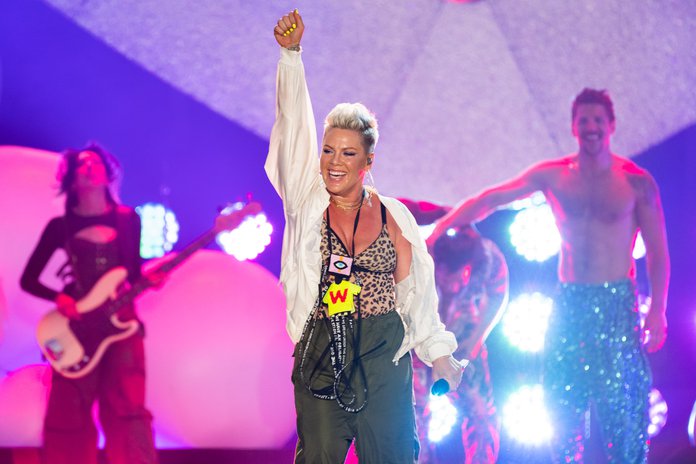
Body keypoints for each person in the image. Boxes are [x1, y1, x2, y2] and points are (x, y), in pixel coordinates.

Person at [428, 88, 670, 463]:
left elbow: (657, 252)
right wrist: (441, 227)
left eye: (598, 121)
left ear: (611, 126)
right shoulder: (554, 176)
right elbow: (492, 199)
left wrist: (657, 309)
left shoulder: (635, 182)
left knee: (623, 409)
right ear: (574, 127)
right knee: (561, 406)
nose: (591, 127)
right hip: (570, 302)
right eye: (584, 121)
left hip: (616, 304)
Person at [266, 10, 463, 463]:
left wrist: (438, 354)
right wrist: (291, 57)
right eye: (329, 150)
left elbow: (417, 295)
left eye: (348, 153)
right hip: (322, 345)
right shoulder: (307, 202)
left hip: (382, 350)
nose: (334, 162)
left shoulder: (395, 216)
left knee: (393, 456)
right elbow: (293, 129)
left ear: (367, 161)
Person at [20, 143, 160, 464]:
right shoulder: (60, 227)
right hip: (76, 327)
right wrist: (61, 297)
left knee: (128, 407)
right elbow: (29, 279)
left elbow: (133, 273)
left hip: (121, 324)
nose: (91, 167)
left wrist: (148, 281)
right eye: (83, 164)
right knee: (68, 411)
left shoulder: (128, 219)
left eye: (97, 163)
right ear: (71, 180)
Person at [405, 200, 507, 464]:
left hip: (462, 346)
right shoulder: (418, 252)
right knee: (412, 418)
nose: (452, 284)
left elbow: (498, 294)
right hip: (420, 345)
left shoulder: (487, 255)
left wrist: (474, 342)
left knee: (481, 414)